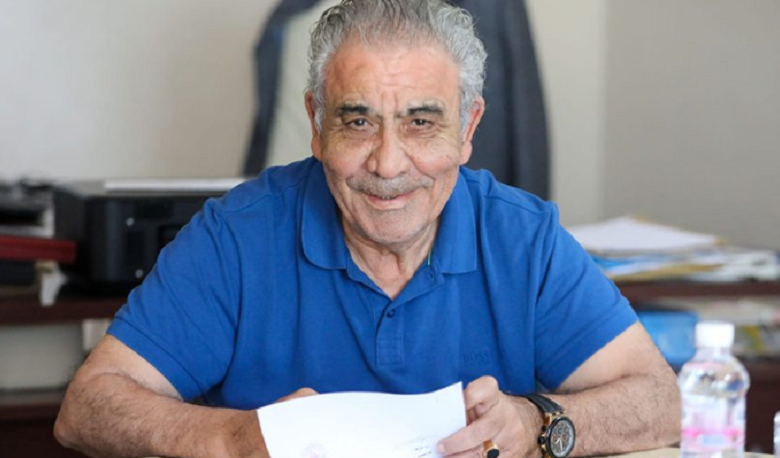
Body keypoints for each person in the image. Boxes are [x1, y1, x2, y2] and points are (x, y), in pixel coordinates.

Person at [54, 1, 680, 457]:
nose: (387, 164)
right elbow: (86, 408)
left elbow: (661, 400)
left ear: (467, 129)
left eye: (420, 123)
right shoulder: (236, 236)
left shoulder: (524, 239)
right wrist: (236, 439)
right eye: (357, 123)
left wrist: (537, 424)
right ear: (316, 124)